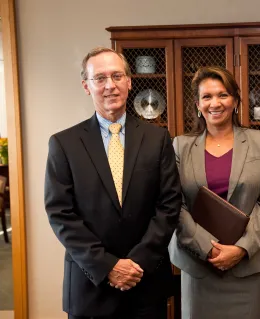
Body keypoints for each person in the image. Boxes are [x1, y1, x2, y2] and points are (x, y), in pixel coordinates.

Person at [44, 47, 182, 319]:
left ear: (129, 82)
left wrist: (136, 263)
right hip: (90, 284)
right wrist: (108, 266)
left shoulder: (158, 139)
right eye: (100, 78)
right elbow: (60, 214)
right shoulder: (64, 143)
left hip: (146, 281)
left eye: (117, 76)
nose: (110, 85)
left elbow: (169, 205)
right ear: (86, 86)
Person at [168, 66, 260, 319]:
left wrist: (241, 248)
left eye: (223, 95)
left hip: (249, 266)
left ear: (235, 101)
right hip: (199, 267)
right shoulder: (180, 146)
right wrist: (207, 248)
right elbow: (174, 203)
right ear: (198, 104)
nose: (215, 103)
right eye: (207, 97)